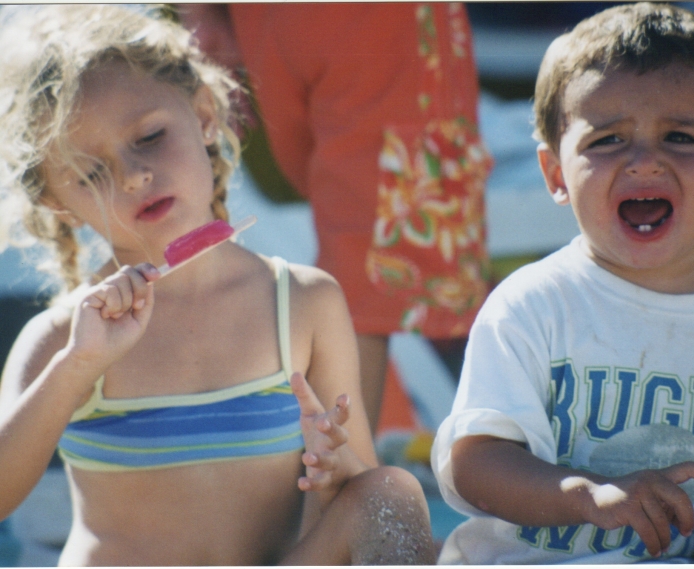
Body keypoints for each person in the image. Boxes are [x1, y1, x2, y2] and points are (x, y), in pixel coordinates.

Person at [0, 5, 436, 565]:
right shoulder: (65, 335)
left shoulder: (302, 302)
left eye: (150, 137)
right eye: (91, 174)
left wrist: (335, 475)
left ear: (205, 114)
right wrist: (78, 366)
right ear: (58, 203)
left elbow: (354, 492)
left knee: (389, 494)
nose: (133, 176)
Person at [431, 2, 694, 564]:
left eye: (680, 136)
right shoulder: (532, 306)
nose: (644, 161)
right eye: (607, 140)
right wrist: (584, 495)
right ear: (556, 174)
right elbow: (474, 462)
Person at [178, 3, 494, 432]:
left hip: (277, 21)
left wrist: (202, 11)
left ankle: (337, 468)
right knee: (365, 264)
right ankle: (343, 478)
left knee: (357, 252)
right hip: (364, 24)